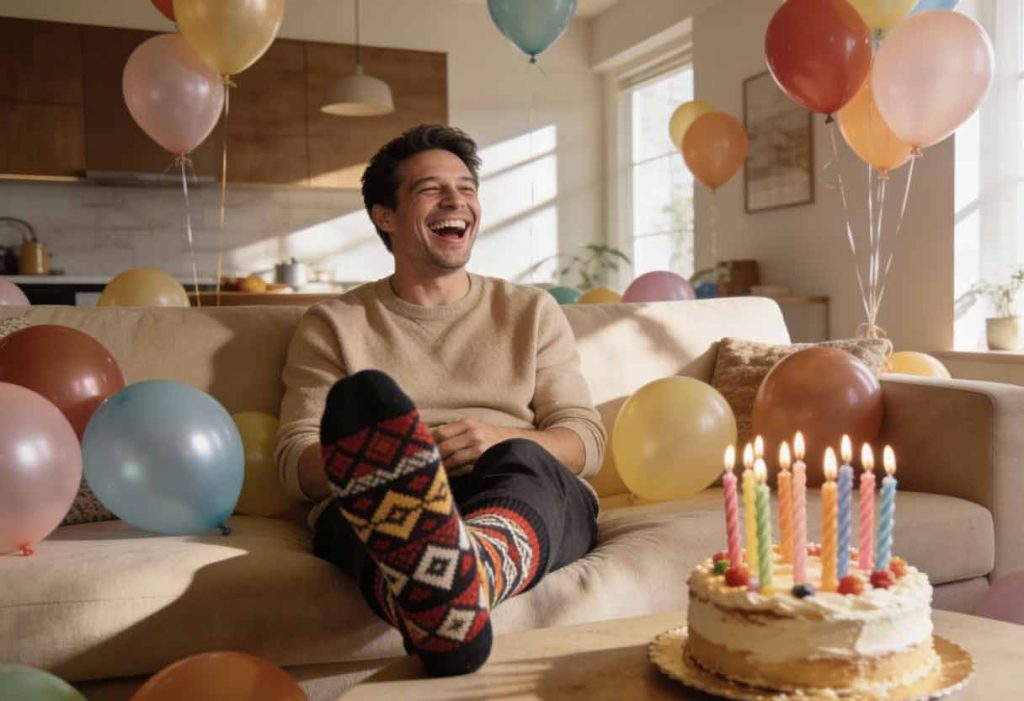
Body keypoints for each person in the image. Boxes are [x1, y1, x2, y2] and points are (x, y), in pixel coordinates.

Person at [275, 124, 606, 677]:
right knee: (352, 509)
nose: (457, 200)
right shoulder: (333, 324)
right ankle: (444, 586)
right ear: (386, 216)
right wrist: (391, 456)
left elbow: (586, 439)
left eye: (467, 187)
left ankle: (457, 589)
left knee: (527, 458)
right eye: (432, 189)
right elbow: (295, 463)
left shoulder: (531, 311)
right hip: (390, 503)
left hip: (512, 486)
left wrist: (506, 436)